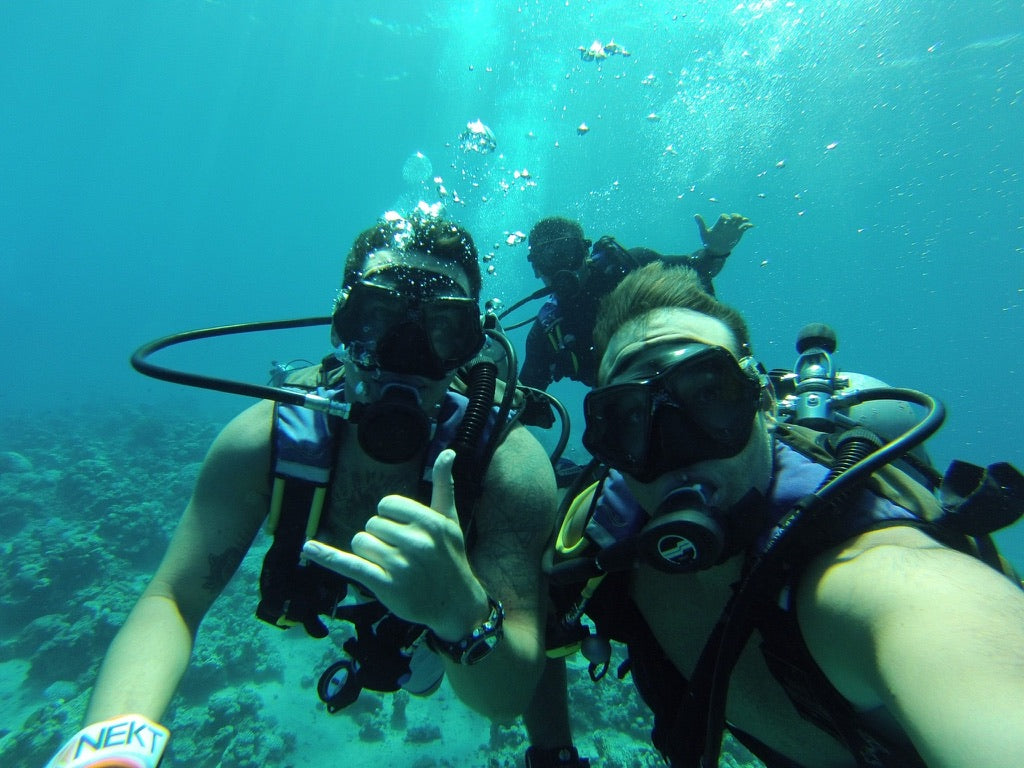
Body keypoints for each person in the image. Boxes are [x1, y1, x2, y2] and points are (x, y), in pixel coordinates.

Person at [45, 210, 558, 768]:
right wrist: (112, 750)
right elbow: (173, 598)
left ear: (472, 346)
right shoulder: (264, 441)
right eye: (378, 318)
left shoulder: (508, 464)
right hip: (333, 584)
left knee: (423, 673)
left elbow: (504, 701)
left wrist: (461, 613)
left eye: (443, 329)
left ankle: (418, 646)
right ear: (341, 326)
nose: (406, 356)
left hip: (444, 613)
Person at [545, 261, 1024, 767]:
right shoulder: (603, 545)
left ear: (765, 403)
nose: (677, 447)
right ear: (608, 446)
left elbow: (952, 633)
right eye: (631, 416)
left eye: (710, 394)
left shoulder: (878, 575)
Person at [517, 213, 752, 428]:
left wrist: (715, 252)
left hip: (689, 383)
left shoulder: (631, 265)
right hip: (633, 413)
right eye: (548, 259)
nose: (560, 269)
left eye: (567, 253)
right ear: (537, 269)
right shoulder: (548, 333)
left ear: (584, 250)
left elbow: (696, 269)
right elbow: (523, 399)